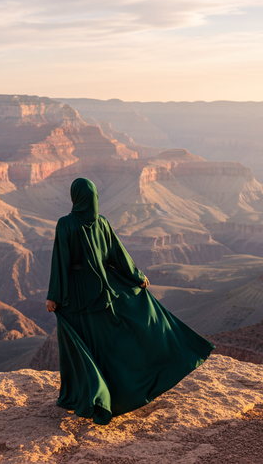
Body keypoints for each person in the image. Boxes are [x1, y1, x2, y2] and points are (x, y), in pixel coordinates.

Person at [46, 177, 215, 425]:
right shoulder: (102, 223)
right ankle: (109, 394)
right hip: (104, 294)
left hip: (76, 298)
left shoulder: (66, 224)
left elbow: (60, 262)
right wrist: (136, 277)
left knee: (81, 349)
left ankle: (82, 397)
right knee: (106, 348)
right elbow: (117, 253)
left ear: (75, 197)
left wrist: (54, 296)